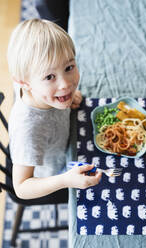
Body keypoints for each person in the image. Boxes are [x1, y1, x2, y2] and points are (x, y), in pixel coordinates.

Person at [7, 19, 102, 200]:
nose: (65, 84)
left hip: (65, 144)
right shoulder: (28, 129)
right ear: (24, 83)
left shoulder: (43, 90)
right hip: (54, 174)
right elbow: (21, 187)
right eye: (50, 76)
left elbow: (58, 84)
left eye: (69, 67)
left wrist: (66, 97)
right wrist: (65, 180)